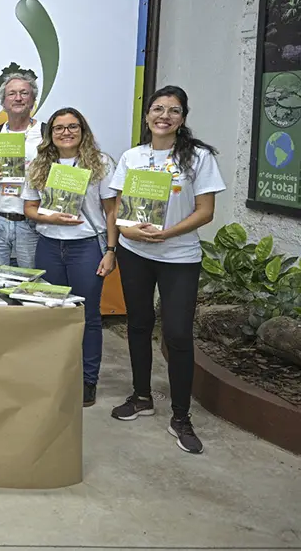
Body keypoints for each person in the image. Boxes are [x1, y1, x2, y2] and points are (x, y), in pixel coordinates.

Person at [109, 86, 224, 454]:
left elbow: (205, 211)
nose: (164, 115)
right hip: (134, 253)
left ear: (183, 118)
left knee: (176, 334)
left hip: (179, 256)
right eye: (158, 109)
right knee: (139, 324)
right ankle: (141, 396)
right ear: (147, 117)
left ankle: (181, 417)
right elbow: (118, 207)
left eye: (174, 110)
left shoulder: (198, 158)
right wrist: (127, 231)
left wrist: (168, 233)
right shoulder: (132, 157)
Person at [22, 108, 118, 408]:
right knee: (54, 313)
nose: (66, 132)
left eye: (72, 126)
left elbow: (111, 211)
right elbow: (29, 209)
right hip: (49, 246)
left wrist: (111, 251)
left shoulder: (100, 163)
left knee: (87, 318)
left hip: (86, 247)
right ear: (50, 133)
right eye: (59, 128)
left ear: (83, 130)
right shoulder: (40, 164)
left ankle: (88, 381)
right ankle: (56, 375)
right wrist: (52, 219)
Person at [0, 72, 45, 269]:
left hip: (31, 222)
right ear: (3, 102)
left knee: (31, 285)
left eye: (24, 93)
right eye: (12, 94)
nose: (18, 98)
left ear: (33, 100)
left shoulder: (46, 134)